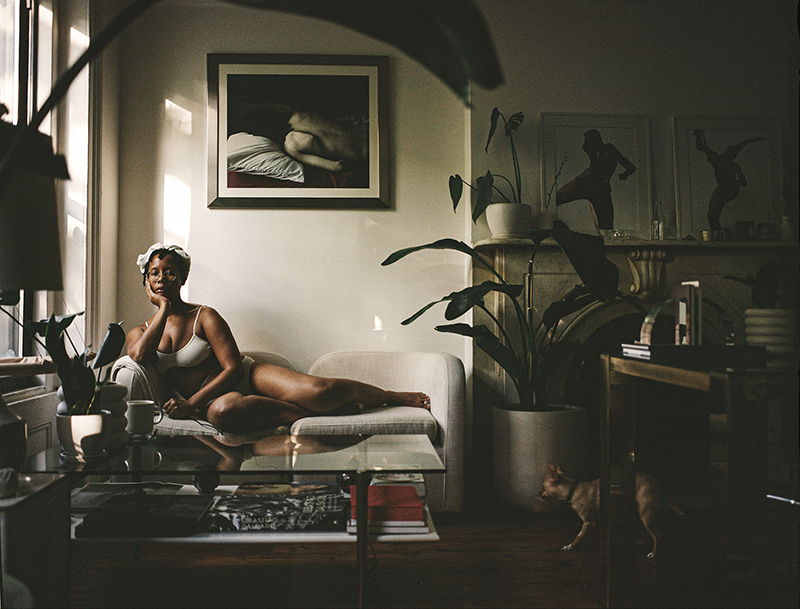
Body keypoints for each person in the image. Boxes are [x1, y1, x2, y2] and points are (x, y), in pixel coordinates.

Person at [126, 243, 430, 434]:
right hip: (216, 398)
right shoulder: (140, 331)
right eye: (155, 273)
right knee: (224, 413)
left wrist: (190, 404)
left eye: (170, 272)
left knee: (320, 390)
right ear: (146, 281)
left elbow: (232, 369)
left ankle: (390, 395)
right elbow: (139, 356)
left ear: (182, 277)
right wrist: (164, 307)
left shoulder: (205, 315)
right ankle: (307, 414)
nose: (162, 279)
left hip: (246, 377)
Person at [555, 129, 637, 231]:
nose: (587, 144)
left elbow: (631, 167)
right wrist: (625, 174)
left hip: (599, 185)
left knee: (606, 224)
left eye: (589, 141)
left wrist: (625, 174)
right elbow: (630, 167)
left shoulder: (608, 149)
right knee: (556, 199)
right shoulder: (596, 150)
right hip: (590, 181)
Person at [693, 129, 764, 231]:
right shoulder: (720, 161)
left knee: (712, 214)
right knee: (712, 215)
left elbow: (744, 183)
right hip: (724, 190)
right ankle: (717, 233)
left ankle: (718, 233)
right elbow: (705, 149)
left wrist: (733, 182)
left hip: (729, 190)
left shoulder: (730, 165)